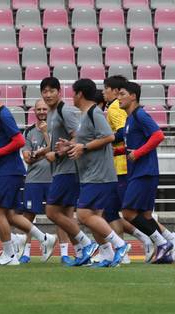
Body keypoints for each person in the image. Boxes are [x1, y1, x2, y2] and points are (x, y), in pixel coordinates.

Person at [0, 81, 56, 266]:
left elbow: (19, 140)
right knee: (10, 214)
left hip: (9, 170)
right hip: (7, 169)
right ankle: (44, 238)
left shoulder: (3, 114)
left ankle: (9, 254)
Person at [57, 78, 130, 267]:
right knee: (95, 216)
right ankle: (106, 255)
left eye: (73, 93)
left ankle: (120, 245)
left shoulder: (94, 113)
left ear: (80, 94)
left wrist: (84, 147)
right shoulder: (84, 116)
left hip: (100, 173)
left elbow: (108, 136)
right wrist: (69, 146)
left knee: (83, 214)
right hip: (90, 172)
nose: (72, 97)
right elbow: (86, 141)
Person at [115, 81, 175, 264]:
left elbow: (158, 135)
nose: (118, 98)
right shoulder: (130, 119)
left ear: (133, 96)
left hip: (144, 172)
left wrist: (138, 153)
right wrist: (116, 152)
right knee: (144, 215)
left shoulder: (140, 115)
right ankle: (167, 243)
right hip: (139, 171)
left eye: (122, 94)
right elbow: (131, 146)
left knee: (128, 212)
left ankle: (162, 243)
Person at [100, 75, 156, 264]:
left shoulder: (118, 109)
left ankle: (161, 238)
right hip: (121, 167)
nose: (103, 92)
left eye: (105, 89)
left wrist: (99, 143)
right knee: (113, 211)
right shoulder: (127, 113)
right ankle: (130, 246)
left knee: (129, 211)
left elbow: (124, 135)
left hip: (123, 167)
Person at [40, 77, 89, 265]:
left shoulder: (65, 110)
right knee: (66, 215)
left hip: (69, 168)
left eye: (52, 90)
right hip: (60, 168)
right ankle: (79, 252)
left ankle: (87, 244)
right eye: (45, 91)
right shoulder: (52, 113)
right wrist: (44, 152)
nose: (48, 94)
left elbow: (79, 138)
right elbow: (56, 143)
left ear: (59, 92)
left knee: (51, 212)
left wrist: (57, 155)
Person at [20, 99, 72, 264]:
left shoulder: (56, 129)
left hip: (54, 177)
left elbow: (56, 150)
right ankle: (25, 253)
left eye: (44, 109)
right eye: (39, 109)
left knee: (59, 216)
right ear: (34, 111)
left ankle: (64, 253)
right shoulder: (28, 132)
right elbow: (28, 159)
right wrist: (43, 153)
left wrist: (44, 137)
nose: (42, 111)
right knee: (28, 216)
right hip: (33, 180)